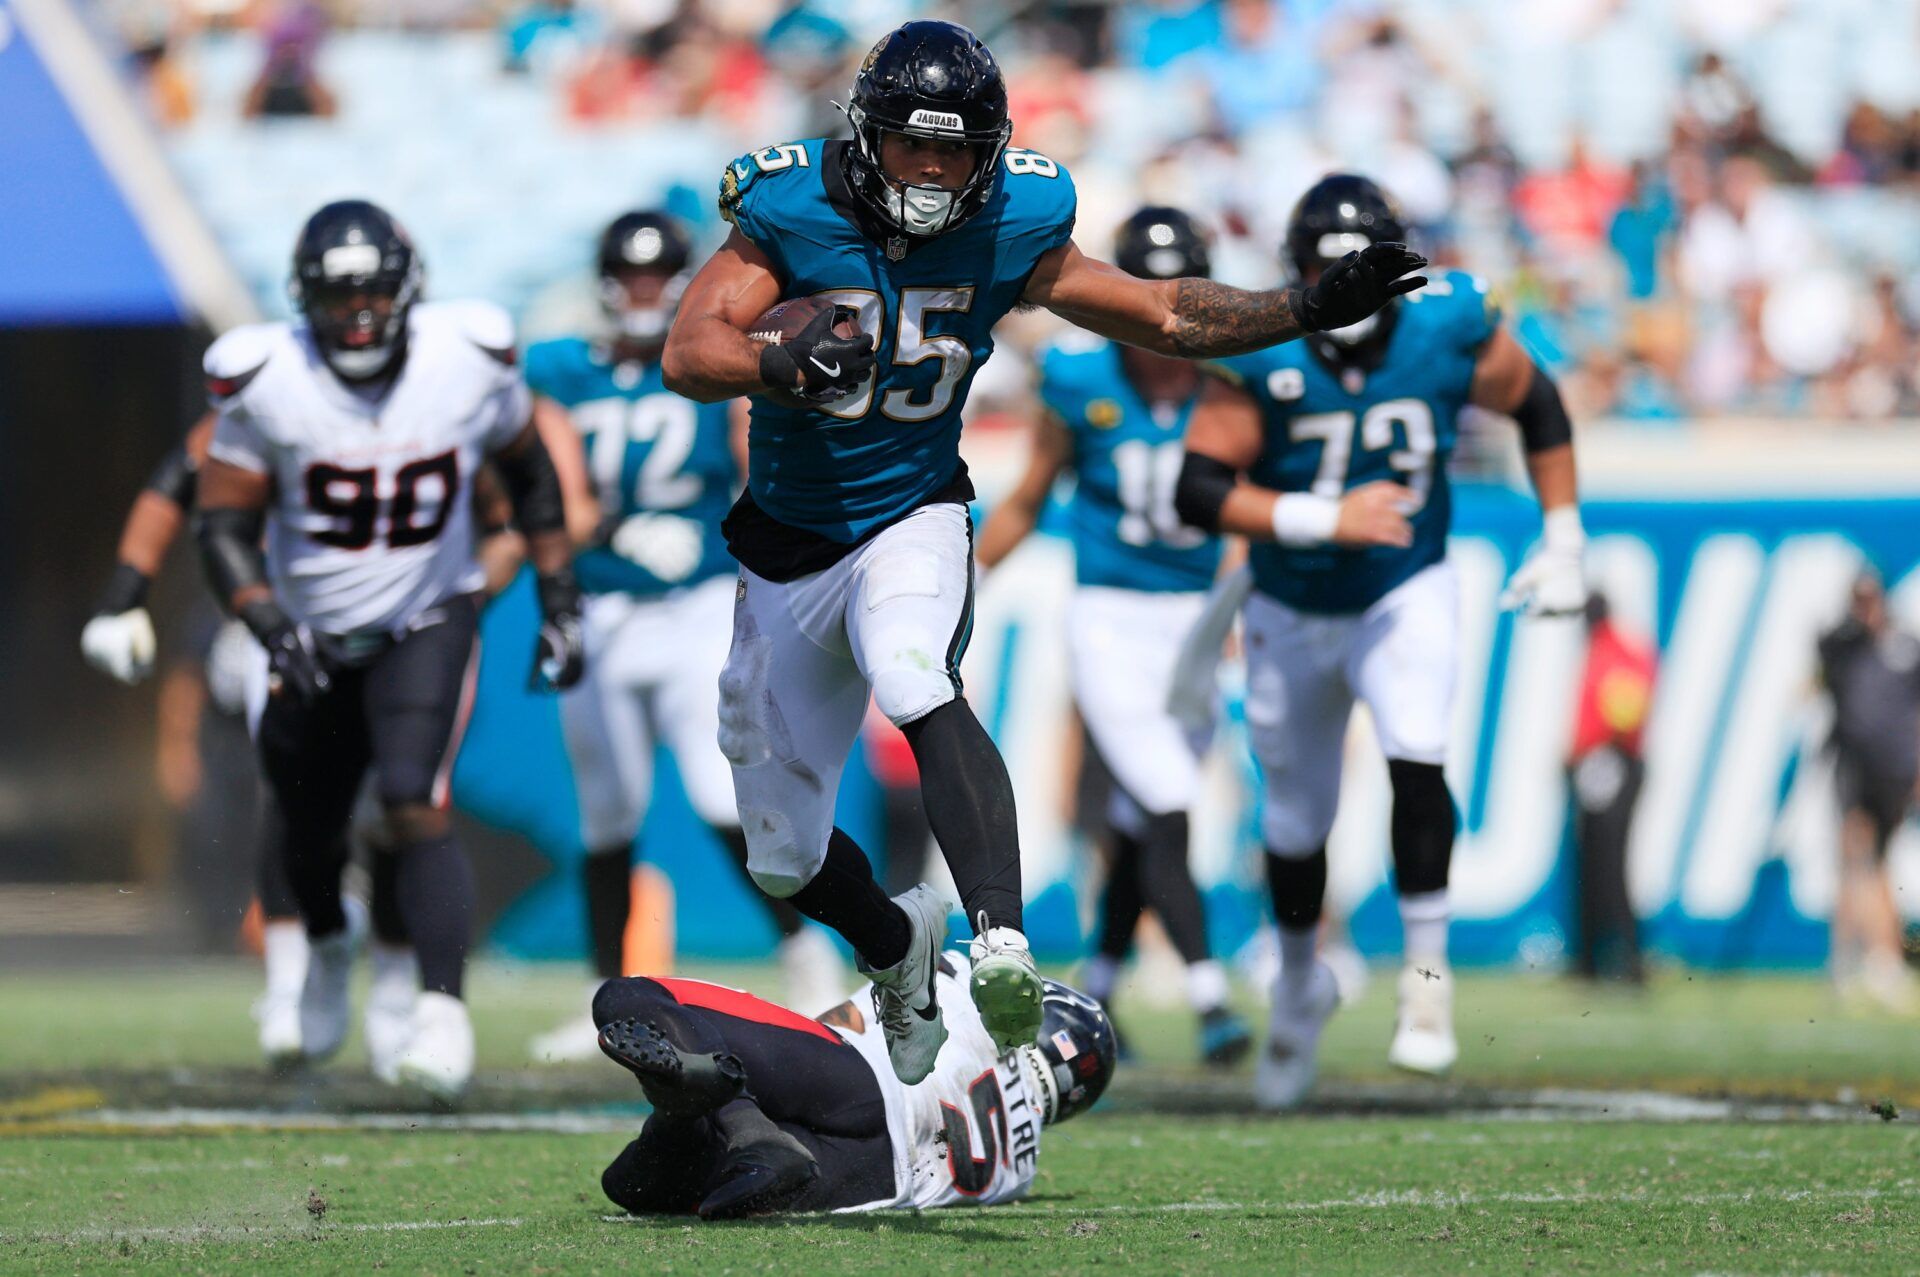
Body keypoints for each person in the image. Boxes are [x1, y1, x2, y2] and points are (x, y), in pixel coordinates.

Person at [661, 19, 1424, 1081]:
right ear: (864, 136)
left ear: (991, 149)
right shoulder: (794, 203)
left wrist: (1299, 307)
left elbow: (1163, 313)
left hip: (911, 510)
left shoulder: (1019, 216)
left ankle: (1001, 944)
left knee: (914, 671)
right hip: (784, 545)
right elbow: (689, 350)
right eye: (912, 144)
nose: (933, 168)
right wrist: (777, 362)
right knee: (783, 856)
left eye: (956, 148)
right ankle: (899, 948)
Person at [1173, 174, 1584, 1108]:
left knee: (1417, 750)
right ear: (1301, 276)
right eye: (1332, 273)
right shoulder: (1266, 349)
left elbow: (1541, 404)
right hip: (1289, 599)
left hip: (1405, 582)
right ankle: (1297, 986)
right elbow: (1198, 490)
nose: (1350, 292)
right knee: (1294, 819)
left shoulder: (1448, 324)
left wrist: (1564, 537)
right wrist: (1323, 520)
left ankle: (1427, 983)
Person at [194, 199, 588, 1101]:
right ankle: (329, 948)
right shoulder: (268, 377)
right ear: (305, 301)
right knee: (307, 824)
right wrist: (264, 621)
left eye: (374, 292)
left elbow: (530, 476)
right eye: (338, 297)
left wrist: (558, 593)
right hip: (310, 631)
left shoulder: (467, 359)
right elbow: (221, 526)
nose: (359, 314)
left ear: (409, 290)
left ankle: (442, 1012)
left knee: (414, 800)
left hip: (427, 612)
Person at [524, 210, 843, 1063]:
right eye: (628, 277)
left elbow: (757, 467)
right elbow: (536, 472)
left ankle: (809, 953)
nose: (641, 291)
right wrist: (602, 534)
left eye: (655, 275)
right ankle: (607, 1003)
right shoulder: (558, 372)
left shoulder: (701, 365)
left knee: (722, 791)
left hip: (696, 602)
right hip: (599, 609)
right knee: (606, 816)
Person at [975, 206, 1250, 1067]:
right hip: (1110, 613)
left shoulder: (1235, 383)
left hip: (1200, 617)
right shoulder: (1077, 378)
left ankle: (1099, 979)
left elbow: (1251, 502)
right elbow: (1028, 496)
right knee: (1166, 796)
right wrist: (961, 579)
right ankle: (1209, 994)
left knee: (1141, 812)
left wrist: (1242, 594)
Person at [593, 950, 1116, 1218]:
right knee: (634, 1186)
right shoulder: (1019, 1172)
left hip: (861, 1085)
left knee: (630, 997)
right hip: (868, 1179)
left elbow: (844, 1019)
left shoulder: (966, 986)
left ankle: (736, 1120)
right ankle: (690, 1110)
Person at [1818, 570, 1920, 1013]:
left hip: (1894, 769)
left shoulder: (1904, 649)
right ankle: (1861, 958)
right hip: (1855, 767)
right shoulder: (1845, 647)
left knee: (1872, 860)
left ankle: (1876, 956)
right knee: (1856, 855)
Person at [1568, 591, 1655, 984]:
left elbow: (1624, 712)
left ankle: (1623, 961)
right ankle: (1592, 960)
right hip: (1599, 764)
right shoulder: (1609, 650)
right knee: (1595, 866)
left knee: (1610, 866)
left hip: (1613, 763)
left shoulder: (1614, 652)